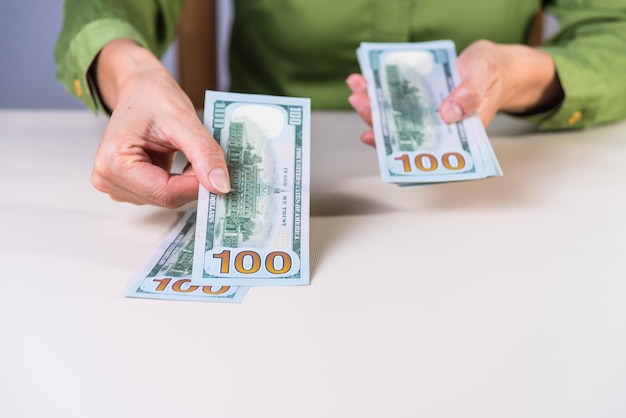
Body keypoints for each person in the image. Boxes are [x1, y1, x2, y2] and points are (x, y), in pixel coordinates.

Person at [55, 0, 626, 208]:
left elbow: (613, 29)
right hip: (271, 172)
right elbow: (105, 8)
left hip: (492, 187)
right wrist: (132, 76)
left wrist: (521, 75)